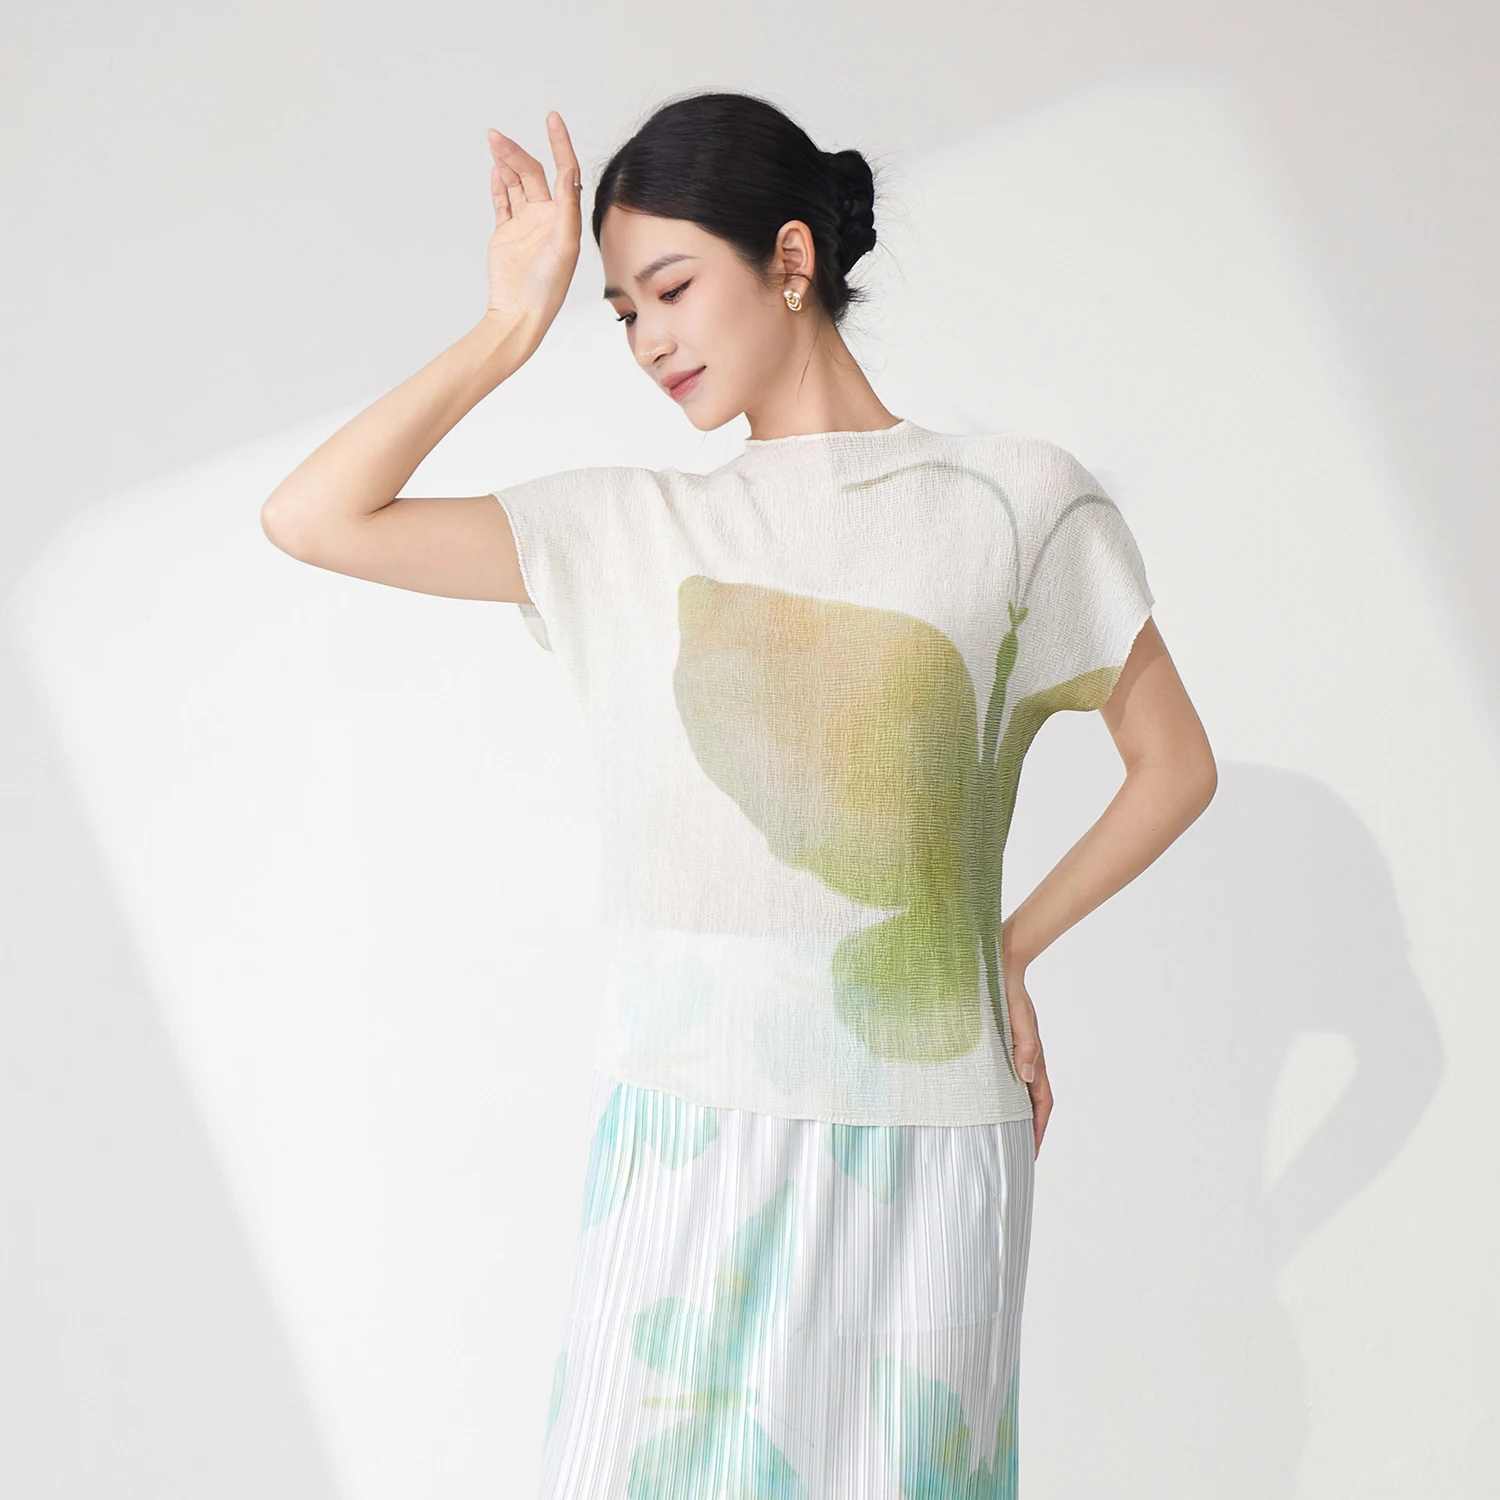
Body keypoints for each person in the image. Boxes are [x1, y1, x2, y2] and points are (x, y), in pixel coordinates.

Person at [261, 89, 1216, 1500]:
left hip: (926, 1141)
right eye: (619, 313)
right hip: (684, 1130)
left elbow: (1175, 767)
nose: (647, 340)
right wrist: (509, 328)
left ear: (789, 259)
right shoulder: (630, 528)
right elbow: (312, 517)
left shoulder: (1019, 502)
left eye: (670, 289)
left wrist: (1003, 952)